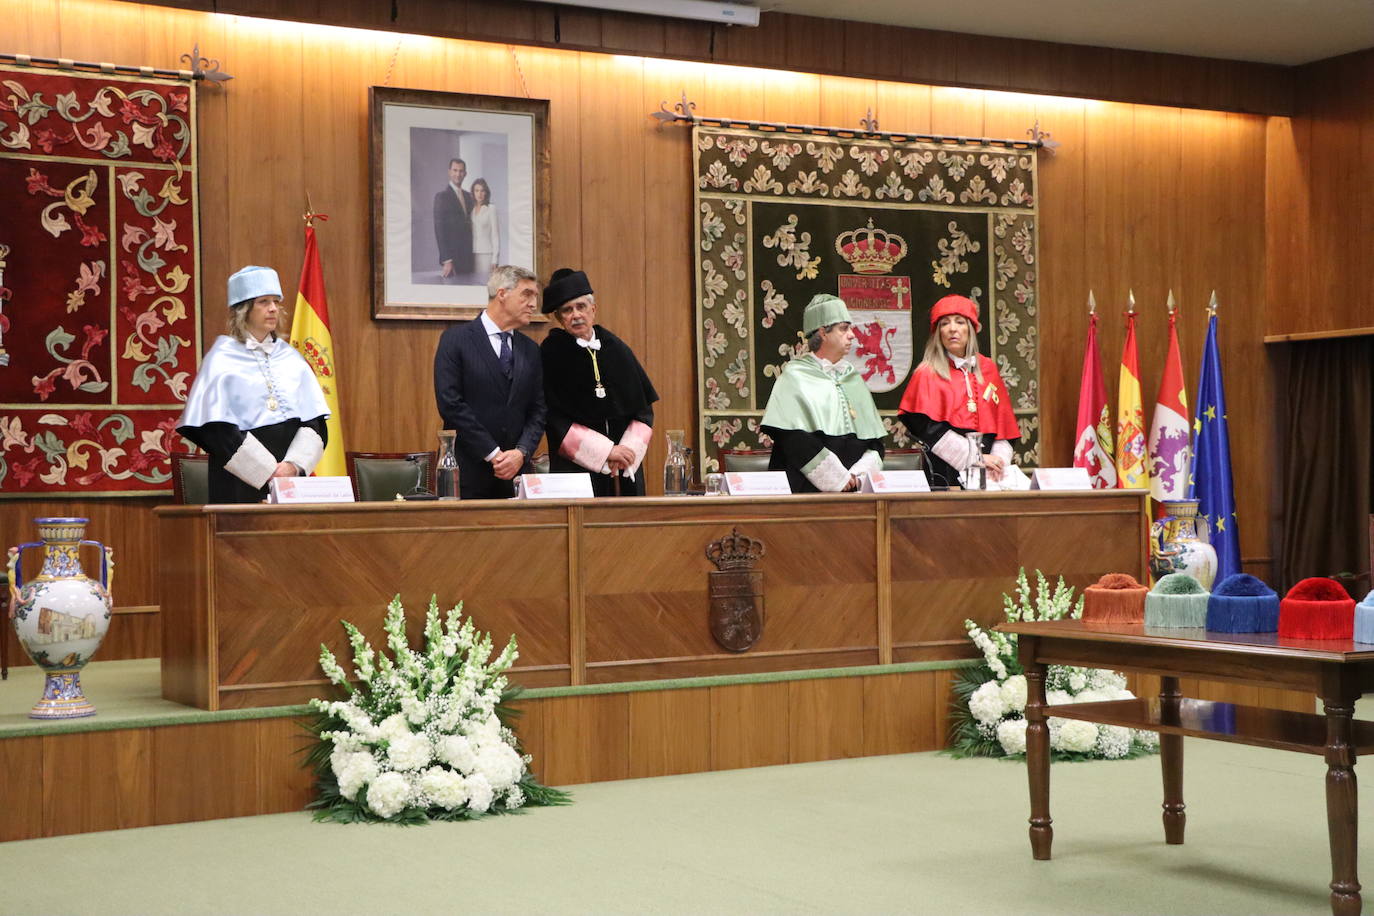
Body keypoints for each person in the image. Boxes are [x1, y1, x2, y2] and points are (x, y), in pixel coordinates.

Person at [176, 266, 330, 503]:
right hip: (239, 481)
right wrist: (267, 471)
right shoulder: (221, 359)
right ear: (243, 310)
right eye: (263, 302)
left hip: (290, 483)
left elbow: (315, 422)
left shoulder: (291, 358)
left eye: (276, 302)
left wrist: (292, 466)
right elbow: (215, 430)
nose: (273, 309)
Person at [539, 268, 658, 497]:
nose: (576, 315)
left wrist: (625, 453)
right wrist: (605, 452)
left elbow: (643, 410)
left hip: (625, 467)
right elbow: (553, 417)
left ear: (593, 309)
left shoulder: (617, 348)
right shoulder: (551, 354)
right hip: (576, 470)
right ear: (559, 318)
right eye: (567, 310)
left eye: (581, 307)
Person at [433, 264, 546, 499]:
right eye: (527, 294)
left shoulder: (530, 349)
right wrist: (493, 454)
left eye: (535, 296)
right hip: (468, 473)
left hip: (516, 476)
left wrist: (521, 453)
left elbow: (538, 410)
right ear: (502, 294)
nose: (534, 304)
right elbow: (450, 404)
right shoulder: (456, 340)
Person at [759, 294, 885, 492]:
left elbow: (875, 442)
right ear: (823, 333)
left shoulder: (852, 377)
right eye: (844, 328)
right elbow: (791, 437)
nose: (852, 335)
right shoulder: (795, 375)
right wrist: (835, 478)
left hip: (857, 495)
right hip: (806, 495)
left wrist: (858, 475)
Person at [897, 294, 1020, 489]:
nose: (952, 329)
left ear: (971, 328)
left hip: (991, 478)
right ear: (938, 332)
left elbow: (1004, 427)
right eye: (945, 323)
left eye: (960, 322)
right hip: (945, 477)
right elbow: (925, 427)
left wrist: (998, 462)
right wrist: (975, 459)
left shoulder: (989, 368)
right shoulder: (926, 373)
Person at [433, 157, 475, 283]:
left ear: (465, 174)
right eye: (455, 170)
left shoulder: (469, 197)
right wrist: (447, 260)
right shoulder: (442, 197)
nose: (458, 174)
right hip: (453, 258)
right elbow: (439, 230)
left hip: (469, 256)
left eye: (461, 171)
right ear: (449, 172)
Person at [470, 178, 500, 281]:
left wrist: (494, 259)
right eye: (477, 190)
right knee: (473, 283)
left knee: (485, 283)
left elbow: (495, 235)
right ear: (473, 192)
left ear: (486, 192)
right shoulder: (471, 209)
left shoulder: (491, 208)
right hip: (472, 253)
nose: (479, 194)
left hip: (486, 254)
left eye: (482, 190)